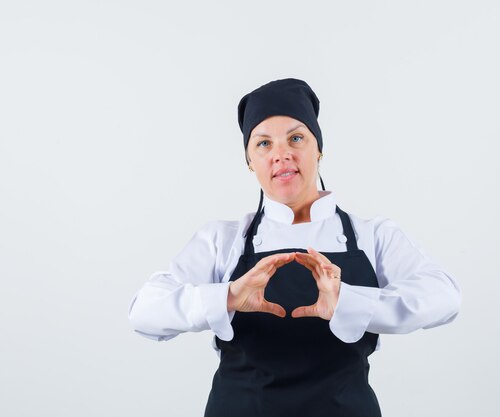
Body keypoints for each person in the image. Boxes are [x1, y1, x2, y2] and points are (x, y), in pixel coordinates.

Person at [128, 78, 462, 417]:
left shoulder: (372, 235)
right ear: (249, 162)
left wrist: (350, 302)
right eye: (263, 144)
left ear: (319, 149)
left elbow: (444, 296)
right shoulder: (221, 240)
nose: (281, 155)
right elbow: (145, 312)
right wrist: (227, 296)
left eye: (296, 138)